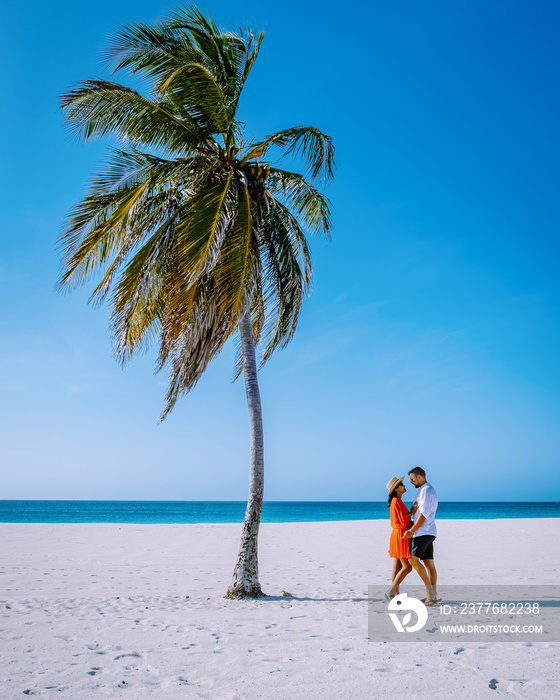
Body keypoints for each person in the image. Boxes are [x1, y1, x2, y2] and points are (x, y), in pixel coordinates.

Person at [402, 466, 440, 605]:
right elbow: (420, 510)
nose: (411, 482)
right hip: (429, 531)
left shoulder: (425, 490)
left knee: (413, 561)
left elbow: (424, 514)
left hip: (423, 532)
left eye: (412, 479)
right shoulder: (427, 490)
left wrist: (412, 531)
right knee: (429, 563)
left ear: (419, 477)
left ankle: (431, 593)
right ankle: (433, 596)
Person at [385, 476, 418, 600]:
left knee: (397, 566)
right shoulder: (396, 501)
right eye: (402, 484)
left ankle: (394, 595)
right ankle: (392, 591)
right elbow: (402, 522)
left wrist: (410, 514)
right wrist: (412, 513)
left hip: (397, 534)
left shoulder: (395, 501)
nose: (404, 486)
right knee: (407, 567)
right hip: (401, 535)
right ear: (396, 489)